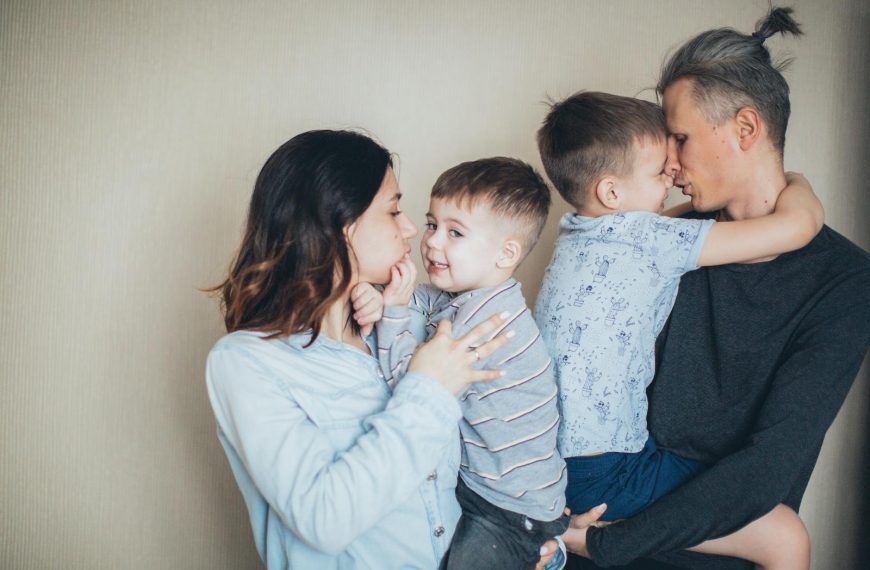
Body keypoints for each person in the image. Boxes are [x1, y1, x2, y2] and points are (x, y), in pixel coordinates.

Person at [558, 7, 870, 569]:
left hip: (689, 539)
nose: (669, 163)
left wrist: (614, 540)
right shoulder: (663, 243)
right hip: (597, 518)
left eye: (679, 138)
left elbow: (766, 469)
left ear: (746, 128)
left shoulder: (845, 280)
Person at [204, 130, 551, 569]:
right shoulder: (247, 363)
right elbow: (323, 519)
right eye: (394, 210)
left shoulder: (396, 329)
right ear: (338, 224)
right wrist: (428, 389)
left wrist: (532, 544)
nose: (410, 229)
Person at [535, 89, 821, 569]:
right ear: (611, 192)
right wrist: (797, 181)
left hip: (554, 464)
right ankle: (594, 536)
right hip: (607, 473)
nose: (672, 178)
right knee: (785, 537)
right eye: (659, 173)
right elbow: (794, 230)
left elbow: (659, 223)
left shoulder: (580, 232)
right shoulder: (648, 241)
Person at [369, 158, 570, 570]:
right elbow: (425, 301)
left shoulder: (484, 327)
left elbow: (413, 384)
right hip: (496, 489)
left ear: (506, 253)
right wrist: (392, 291)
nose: (431, 242)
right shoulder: (472, 298)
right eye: (431, 224)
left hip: (509, 509)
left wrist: (390, 313)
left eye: (454, 232)